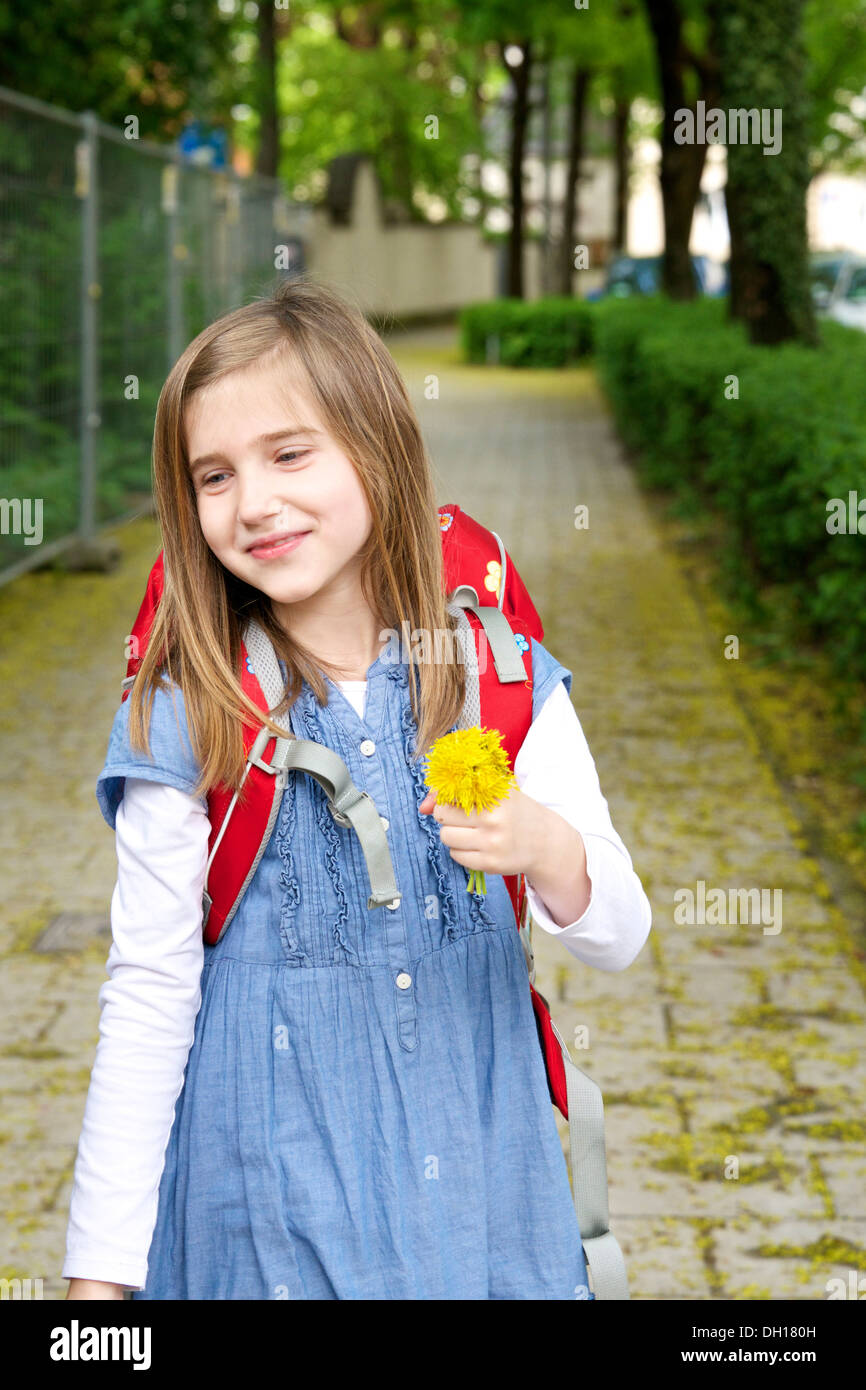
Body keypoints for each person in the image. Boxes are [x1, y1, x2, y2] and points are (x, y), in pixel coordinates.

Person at [63, 276, 652, 1300]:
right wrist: (96, 1288)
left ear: (377, 446)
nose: (253, 503)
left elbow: (618, 932)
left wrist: (545, 846)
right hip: (264, 1220)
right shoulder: (188, 709)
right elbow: (149, 996)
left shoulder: (493, 672)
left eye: (290, 453)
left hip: (482, 1211)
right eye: (212, 475)